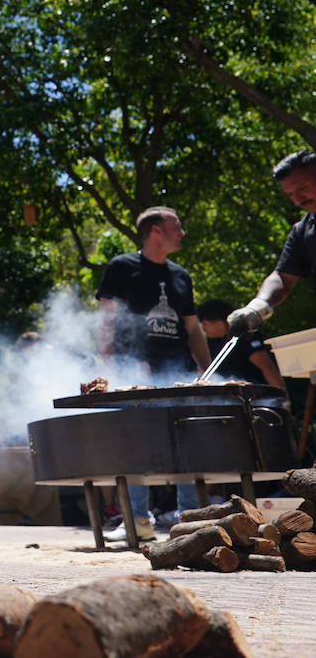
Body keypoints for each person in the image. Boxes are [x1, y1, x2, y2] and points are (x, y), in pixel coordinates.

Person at [96, 206, 211, 541]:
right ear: (156, 231)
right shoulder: (122, 267)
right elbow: (105, 316)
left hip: (177, 372)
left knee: (184, 441)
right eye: (177, 226)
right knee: (135, 444)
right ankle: (137, 522)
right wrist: (106, 359)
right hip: (132, 369)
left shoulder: (181, 275)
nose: (182, 232)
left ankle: (188, 517)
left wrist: (207, 368)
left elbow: (192, 327)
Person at [229, 150, 316, 338]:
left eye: (302, 188)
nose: (297, 199)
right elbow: (283, 277)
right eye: (290, 194)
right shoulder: (303, 231)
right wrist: (258, 306)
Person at [196, 299, 285, 389]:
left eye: (205, 324)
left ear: (220, 324)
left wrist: (283, 399)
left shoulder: (246, 336)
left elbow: (267, 367)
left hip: (254, 394)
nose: (203, 329)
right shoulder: (212, 341)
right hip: (225, 397)